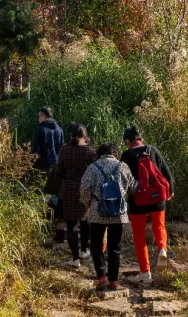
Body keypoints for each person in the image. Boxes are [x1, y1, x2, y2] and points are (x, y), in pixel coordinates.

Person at [120, 126, 174, 285]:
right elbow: (165, 170)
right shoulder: (152, 150)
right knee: (159, 226)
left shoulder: (127, 155)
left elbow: (122, 178)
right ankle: (162, 249)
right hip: (157, 196)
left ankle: (145, 273)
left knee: (139, 235)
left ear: (128, 141)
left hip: (138, 199)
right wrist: (170, 190)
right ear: (140, 138)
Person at [80, 143, 136, 290]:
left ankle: (102, 276)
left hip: (98, 212)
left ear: (99, 153)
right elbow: (132, 188)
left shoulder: (92, 168)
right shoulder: (123, 166)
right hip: (118, 214)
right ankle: (114, 281)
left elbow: (84, 190)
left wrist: (88, 206)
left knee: (96, 245)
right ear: (115, 153)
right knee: (115, 247)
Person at [56, 123, 97, 268]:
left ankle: (75, 259)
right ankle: (84, 250)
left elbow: (60, 170)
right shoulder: (92, 152)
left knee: (71, 223)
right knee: (85, 221)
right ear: (84, 136)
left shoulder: (65, 150)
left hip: (69, 189)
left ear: (70, 135)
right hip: (86, 189)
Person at [32, 107, 65, 243]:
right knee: (56, 197)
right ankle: (58, 228)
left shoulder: (40, 130)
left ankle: (44, 226)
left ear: (44, 116)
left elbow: (35, 151)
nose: (38, 119)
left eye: (39, 116)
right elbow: (62, 149)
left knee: (42, 197)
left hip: (43, 167)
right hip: (57, 168)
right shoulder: (60, 130)